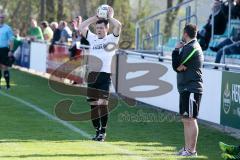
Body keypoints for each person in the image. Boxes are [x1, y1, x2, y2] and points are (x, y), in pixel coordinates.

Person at [79, 6, 122, 142]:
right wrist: (95, 18)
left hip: (104, 76)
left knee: (103, 104)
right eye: (97, 28)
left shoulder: (111, 39)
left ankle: (103, 132)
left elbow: (119, 25)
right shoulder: (92, 38)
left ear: (106, 29)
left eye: (101, 28)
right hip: (92, 76)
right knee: (93, 106)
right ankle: (97, 130)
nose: (99, 30)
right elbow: (81, 27)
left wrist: (109, 17)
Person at [172, 24, 204, 156]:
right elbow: (179, 66)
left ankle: (192, 150)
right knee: (186, 119)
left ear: (185, 33)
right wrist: (179, 63)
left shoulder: (192, 47)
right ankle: (186, 148)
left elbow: (176, 66)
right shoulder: (188, 46)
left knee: (191, 119)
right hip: (185, 88)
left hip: (192, 88)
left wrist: (175, 50)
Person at [0, 11, 14, 90]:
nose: (1, 18)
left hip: (4, 49)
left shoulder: (7, 28)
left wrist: (11, 51)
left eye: (2, 17)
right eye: (0, 17)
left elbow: (11, 40)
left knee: (5, 67)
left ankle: (8, 85)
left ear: (4, 18)